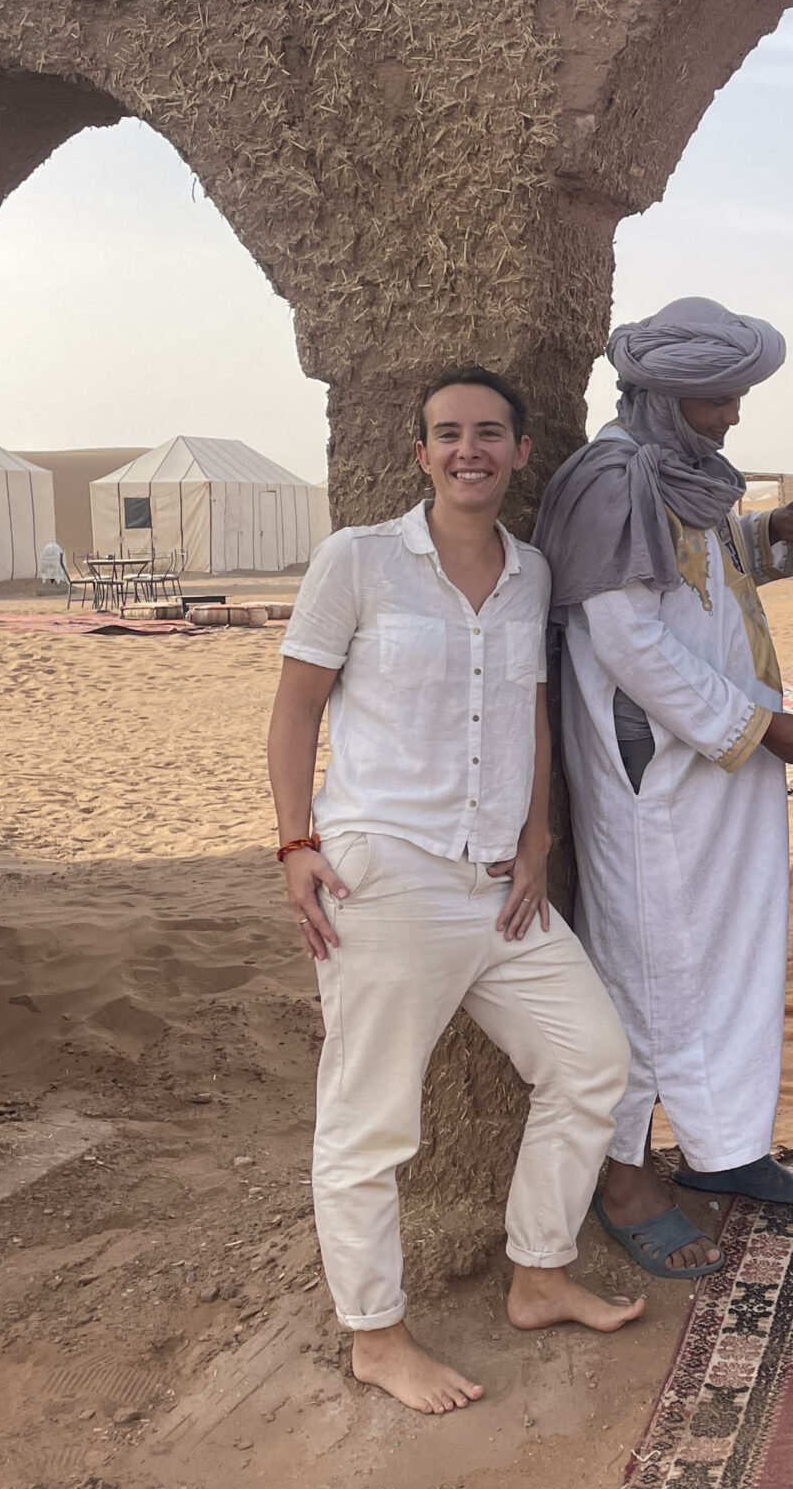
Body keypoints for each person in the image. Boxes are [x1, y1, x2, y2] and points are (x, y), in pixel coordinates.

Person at [268, 368, 641, 1417]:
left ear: (522, 451)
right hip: (386, 874)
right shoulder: (360, 560)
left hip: (499, 889)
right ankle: (376, 1336)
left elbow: (526, 708)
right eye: (447, 434)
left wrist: (539, 833)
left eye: (488, 433)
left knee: (591, 1060)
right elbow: (295, 710)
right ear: (421, 453)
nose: (468, 449)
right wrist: (295, 842)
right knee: (370, 1121)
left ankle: (537, 1272)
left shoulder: (529, 574)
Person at [535, 297, 793, 1280]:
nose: (734, 417)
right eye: (719, 398)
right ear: (667, 395)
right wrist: (765, 728)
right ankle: (624, 1176)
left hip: (724, 773)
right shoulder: (611, 478)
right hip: (658, 782)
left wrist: (768, 534)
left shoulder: (678, 472)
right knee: (646, 967)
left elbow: (692, 579)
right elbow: (630, 641)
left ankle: (723, 1148)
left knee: (726, 956)